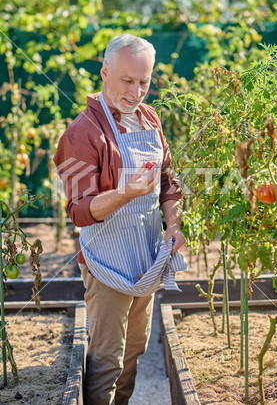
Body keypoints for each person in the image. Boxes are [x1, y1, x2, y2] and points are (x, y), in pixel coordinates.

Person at [54, 33, 188, 404]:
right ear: (105, 71)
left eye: (144, 81)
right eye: (127, 80)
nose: (137, 91)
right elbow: (80, 210)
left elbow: (168, 180)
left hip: (145, 256)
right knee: (107, 358)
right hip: (107, 261)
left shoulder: (149, 117)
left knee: (135, 350)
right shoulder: (82, 133)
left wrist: (173, 227)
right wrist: (125, 193)